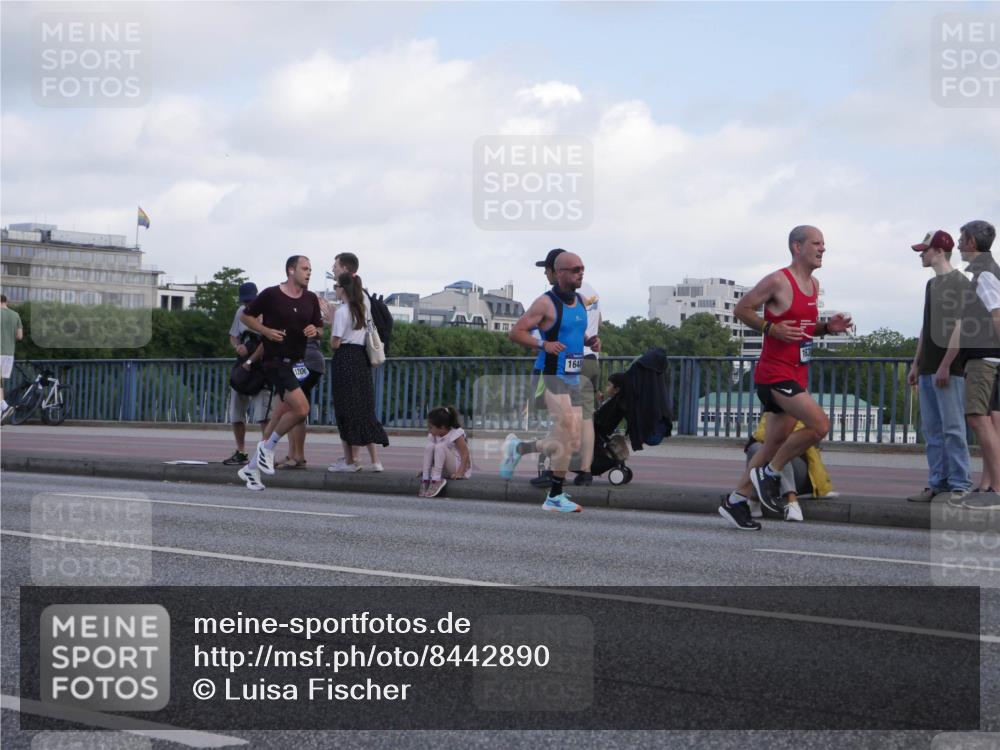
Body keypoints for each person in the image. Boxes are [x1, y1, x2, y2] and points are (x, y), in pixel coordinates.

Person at [719, 225, 852, 529]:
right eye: (816, 244)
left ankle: (737, 501)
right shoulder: (778, 280)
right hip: (775, 373)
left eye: (824, 245)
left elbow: (804, 327)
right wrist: (770, 328)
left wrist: (826, 328)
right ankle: (771, 472)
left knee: (772, 444)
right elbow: (742, 308)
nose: (822, 249)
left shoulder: (814, 284)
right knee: (819, 425)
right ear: (797, 246)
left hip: (797, 371)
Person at [501, 251, 598, 513]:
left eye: (583, 268)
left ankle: (519, 447)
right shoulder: (545, 303)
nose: (581, 273)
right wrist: (544, 344)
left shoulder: (579, 301)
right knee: (567, 430)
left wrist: (590, 342)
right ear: (560, 273)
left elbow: (575, 333)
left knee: (572, 439)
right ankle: (555, 495)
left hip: (572, 376)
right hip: (549, 375)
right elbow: (516, 332)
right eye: (575, 269)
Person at [236, 255, 323, 491]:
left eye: (310, 270)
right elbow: (246, 315)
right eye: (305, 269)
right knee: (302, 409)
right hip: (276, 362)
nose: (309, 273)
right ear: (291, 270)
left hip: (298, 364)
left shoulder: (311, 298)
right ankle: (268, 449)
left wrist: (315, 330)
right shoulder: (271, 294)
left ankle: (251, 468)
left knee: (281, 414)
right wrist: (265, 331)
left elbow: (321, 331)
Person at [905, 230, 972, 504]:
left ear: (939, 251)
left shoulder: (960, 283)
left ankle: (960, 484)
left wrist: (946, 364)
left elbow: (961, 326)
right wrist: (916, 362)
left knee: (953, 428)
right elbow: (926, 325)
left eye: (925, 250)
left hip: (950, 367)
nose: (922, 254)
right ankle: (937, 482)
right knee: (931, 430)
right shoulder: (931, 285)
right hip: (928, 367)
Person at [531, 248, 602, 487]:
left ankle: (551, 471)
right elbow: (597, 322)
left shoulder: (553, 298)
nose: (546, 275)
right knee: (585, 419)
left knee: (560, 420)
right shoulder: (589, 293)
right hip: (589, 360)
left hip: (564, 361)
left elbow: (537, 336)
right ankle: (585, 470)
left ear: (558, 270)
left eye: (548, 269)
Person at [956, 219, 1000, 511]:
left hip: (984, 358)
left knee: (977, 419)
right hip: (989, 356)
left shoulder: (984, 275)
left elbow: (997, 314)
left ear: (971, 241)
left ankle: (995, 488)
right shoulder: (987, 271)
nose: (959, 244)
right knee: (990, 422)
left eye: (962, 239)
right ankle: (987, 484)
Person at [326, 272, 389, 472]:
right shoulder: (363, 309)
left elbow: (335, 343)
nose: (335, 290)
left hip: (345, 359)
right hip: (361, 359)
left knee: (345, 409)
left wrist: (330, 323)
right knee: (364, 407)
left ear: (342, 289)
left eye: (336, 286)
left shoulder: (342, 312)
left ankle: (349, 461)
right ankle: (375, 461)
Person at [274, 304, 329, 468]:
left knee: (294, 409)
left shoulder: (291, 309)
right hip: (314, 364)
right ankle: (295, 455)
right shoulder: (310, 308)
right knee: (297, 409)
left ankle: (296, 456)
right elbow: (320, 332)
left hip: (302, 363)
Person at [223, 282, 271, 465]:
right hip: (243, 364)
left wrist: (252, 359)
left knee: (263, 414)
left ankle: (265, 454)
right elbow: (233, 335)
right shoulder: (241, 312)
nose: (248, 305)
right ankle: (241, 451)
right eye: (246, 302)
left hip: (260, 366)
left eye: (251, 301)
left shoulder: (267, 313)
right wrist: (238, 347)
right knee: (236, 410)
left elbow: (268, 342)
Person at [420, 405, 472, 498]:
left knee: (440, 447)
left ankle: (436, 481)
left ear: (442, 427)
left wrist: (460, 472)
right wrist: (425, 468)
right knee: (429, 446)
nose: (429, 430)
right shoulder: (434, 435)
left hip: (456, 468)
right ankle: (425, 479)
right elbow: (431, 454)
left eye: (431, 427)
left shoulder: (456, 433)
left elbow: (465, 453)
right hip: (443, 470)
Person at [0, 294, 24, 422]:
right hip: (9, 353)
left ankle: (4, 406)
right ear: (6, 301)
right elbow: (20, 336)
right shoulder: (15, 315)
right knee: (0, 383)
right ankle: (1, 412)